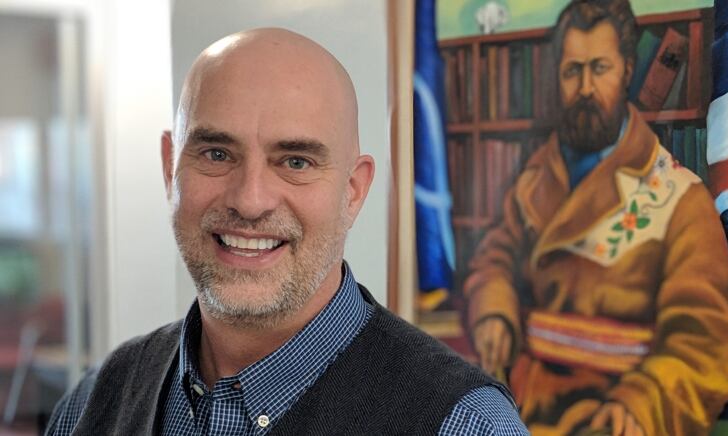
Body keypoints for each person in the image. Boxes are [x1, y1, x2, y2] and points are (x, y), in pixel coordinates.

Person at [46, 28, 529, 435]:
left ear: (353, 191)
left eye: (295, 161)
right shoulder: (91, 405)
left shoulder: (463, 423)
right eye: (217, 154)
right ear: (171, 169)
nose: (249, 200)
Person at [464, 1, 728, 435]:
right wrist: (495, 311)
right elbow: (496, 257)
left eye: (600, 68)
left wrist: (642, 404)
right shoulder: (537, 177)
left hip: (611, 419)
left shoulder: (682, 200)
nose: (586, 88)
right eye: (573, 71)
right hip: (518, 411)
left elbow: (704, 345)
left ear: (627, 71)